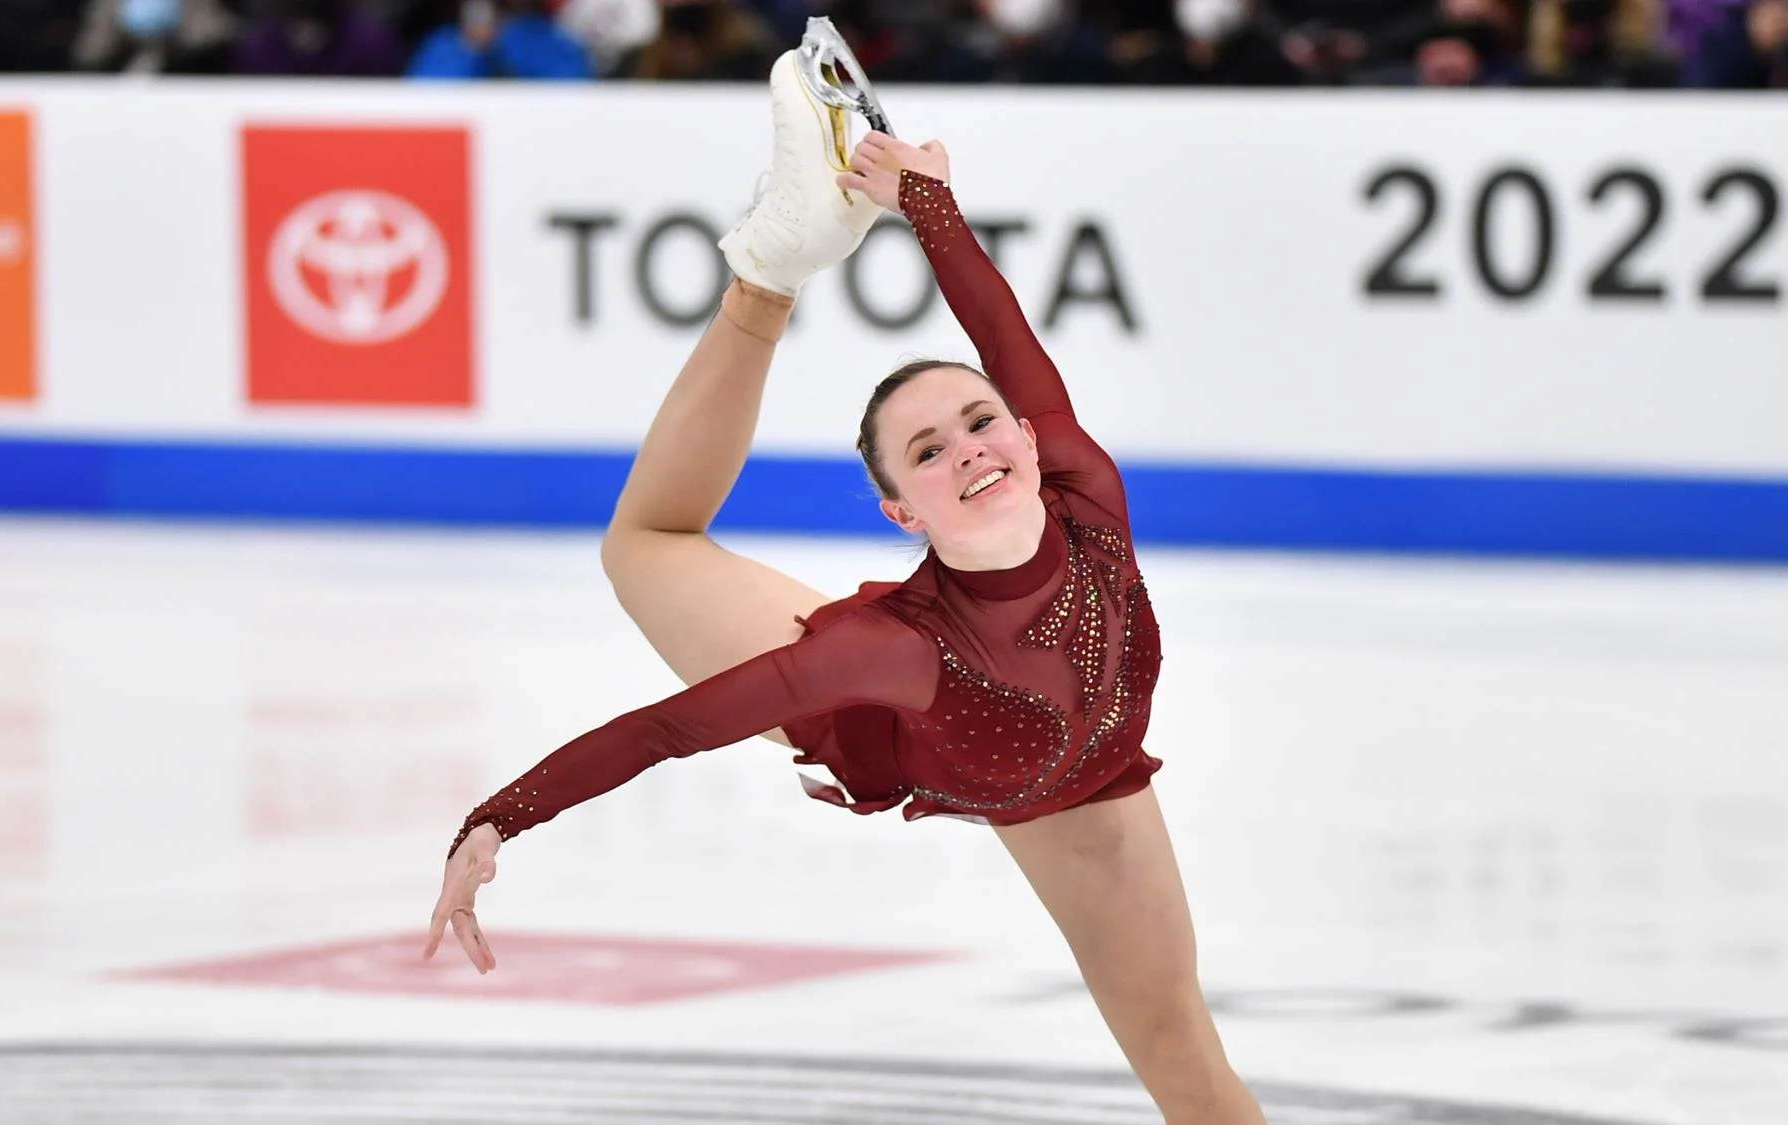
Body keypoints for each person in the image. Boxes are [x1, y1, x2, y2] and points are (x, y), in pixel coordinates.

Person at [423, 37, 1267, 1125]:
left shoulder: (1081, 481)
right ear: (899, 513)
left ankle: (778, 262)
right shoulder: (880, 653)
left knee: (1184, 1064)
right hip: (900, 723)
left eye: (975, 423)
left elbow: (999, 329)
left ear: (1023, 435)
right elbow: (668, 729)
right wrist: (498, 820)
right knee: (644, 546)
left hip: (1088, 786)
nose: (966, 449)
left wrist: (929, 203)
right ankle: (764, 277)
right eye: (926, 454)